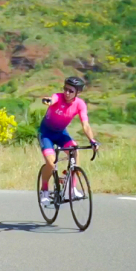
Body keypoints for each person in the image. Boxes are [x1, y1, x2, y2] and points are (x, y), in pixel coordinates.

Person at [38, 76, 99, 208]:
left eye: (71, 91)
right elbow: (53, 99)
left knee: (75, 149)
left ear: (78, 93)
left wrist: (92, 140)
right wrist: (48, 100)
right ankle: (44, 190)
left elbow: (85, 125)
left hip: (61, 134)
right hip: (46, 134)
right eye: (65, 89)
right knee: (51, 163)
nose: (67, 93)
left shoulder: (80, 104)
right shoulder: (58, 98)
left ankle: (71, 189)